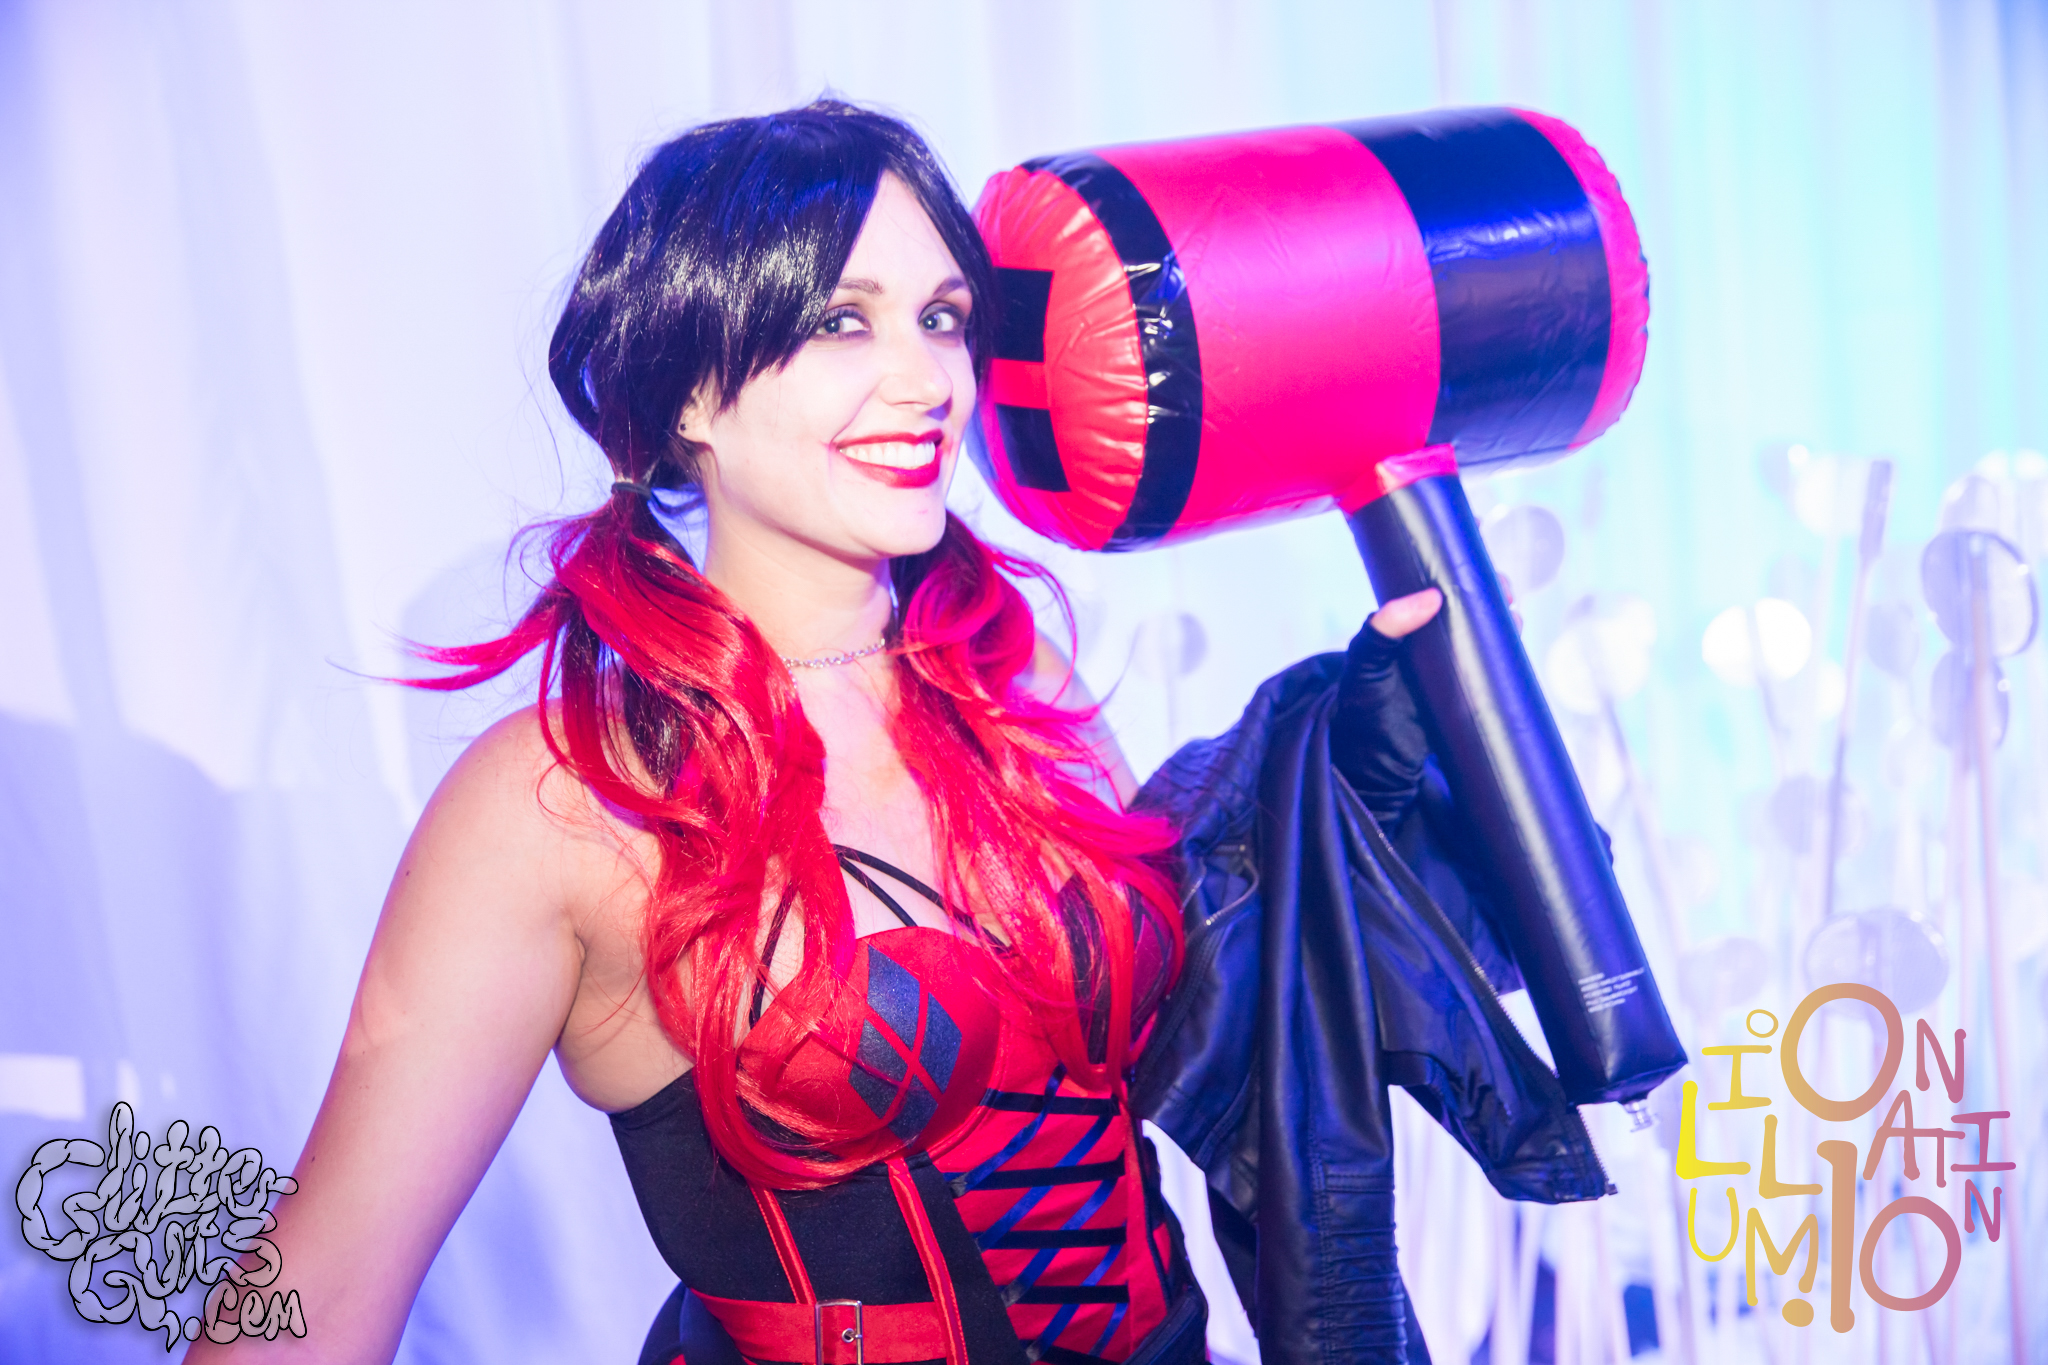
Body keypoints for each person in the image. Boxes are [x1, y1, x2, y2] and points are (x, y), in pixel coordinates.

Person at [187, 101, 1445, 1365]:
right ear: (690, 390)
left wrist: (1320, 768)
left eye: (941, 318)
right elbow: (325, 1287)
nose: (927, 382)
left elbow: (1204, 1036)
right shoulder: (565, 800)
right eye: (842, 320)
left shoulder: (1012, 678)